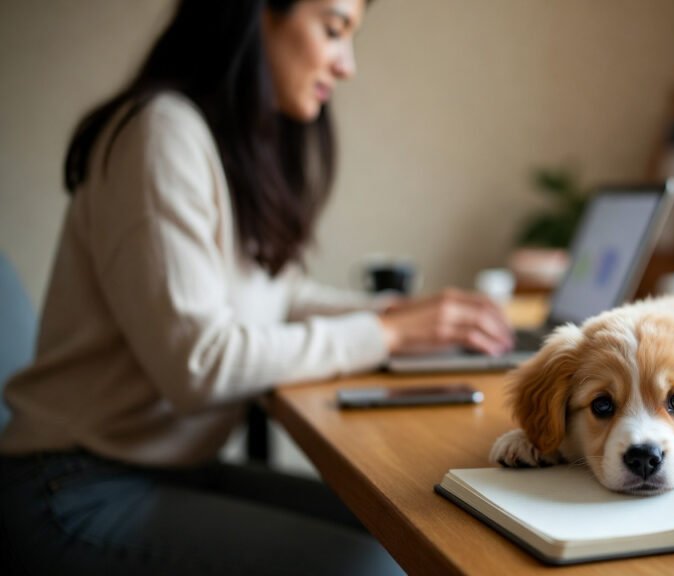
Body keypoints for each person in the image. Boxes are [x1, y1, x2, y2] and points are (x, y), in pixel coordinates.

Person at [0, 0, 513, 574]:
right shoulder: (161, 132)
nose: (347, 65)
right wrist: (384, 334)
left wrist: (401, 317)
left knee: (413, 534)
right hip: (70, 488)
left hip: (162, 468)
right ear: (255, 13)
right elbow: (198, 363)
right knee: (370, 564)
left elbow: (280, 296)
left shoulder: (221, 142)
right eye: (334, 29)